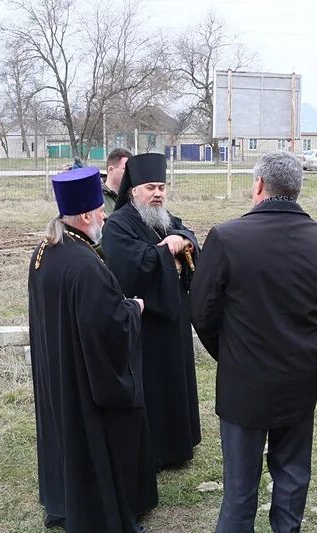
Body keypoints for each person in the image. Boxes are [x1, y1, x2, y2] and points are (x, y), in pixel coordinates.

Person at [190, 151, 317, 533]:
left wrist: (230, 354)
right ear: (297, 189)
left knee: (240, 490)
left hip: (245, 382)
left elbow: (202, 311)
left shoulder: (227, 237)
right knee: (291, 478)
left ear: (258, 185)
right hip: (298, 378)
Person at [28, 166, 157, 531]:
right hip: (84, 383)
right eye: (100, 209)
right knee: (94, 447)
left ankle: (64, 503)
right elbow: (107, 326)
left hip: (59, 370)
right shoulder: (84, 263)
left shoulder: (46, 251)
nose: (104, 214)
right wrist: (134, 309)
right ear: (85, 215)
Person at [101, 153, 201, 469]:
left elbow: (190, 239)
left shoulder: (165, 218)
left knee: (177, 380)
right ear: (134, 191)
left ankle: (181, 443)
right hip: (146, 322)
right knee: (154, 385)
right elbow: (131, 267)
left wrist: (181, 239)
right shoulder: (117, 225)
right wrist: (167, 253)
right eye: (149, 188)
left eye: (161, 187)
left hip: (173, 318)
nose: (157, 193)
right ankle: (157, 450)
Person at [103, 148, 132, 214]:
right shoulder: (97, 198)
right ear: (111, 170)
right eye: (126, 169)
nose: (130, 173)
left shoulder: (134, 196)